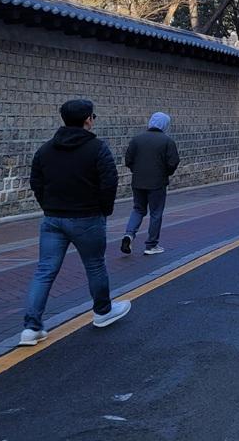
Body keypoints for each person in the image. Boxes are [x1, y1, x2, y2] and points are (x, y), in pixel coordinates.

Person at [20, 99, 130, 346]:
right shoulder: (97, 149)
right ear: (88, 119)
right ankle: (102, 312)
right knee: (95, 265)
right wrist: (104, 210)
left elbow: (36, 181)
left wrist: (48, 206)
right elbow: (109, 182)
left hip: (53, 218)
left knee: (44, 271)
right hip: (87, 217)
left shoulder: (46, 150)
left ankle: (31, 327)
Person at [120, 112, 179, 256]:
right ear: (165, 124)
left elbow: (128, 160)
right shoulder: (167, 141)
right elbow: (173, 162)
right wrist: (166, 173)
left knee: (138, 209)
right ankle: (151, 244)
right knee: (156, 213)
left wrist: (137, 171)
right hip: (157, 183)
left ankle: (129, 234)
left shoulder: (136, 139)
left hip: (138, 181)